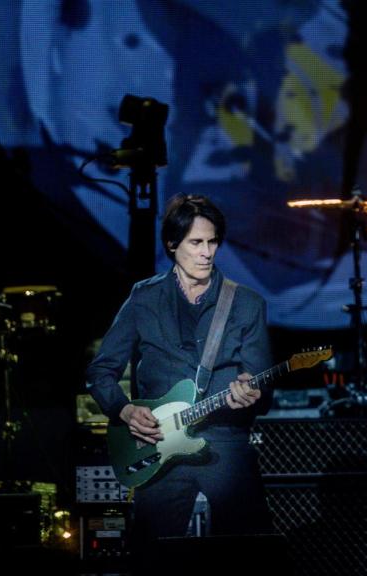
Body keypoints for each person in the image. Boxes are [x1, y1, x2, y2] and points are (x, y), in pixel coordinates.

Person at [86, 194, 271, 564]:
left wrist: (251, 392)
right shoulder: (144, 298)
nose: (207, 252)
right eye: (196, 242)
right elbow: (100, 371)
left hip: (224, 443)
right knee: (152, 558)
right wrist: (123, 411)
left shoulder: (246, 302)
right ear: (173, 244)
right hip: (157, 447)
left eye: (213, 241)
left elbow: (261, 386)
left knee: (251, 553)